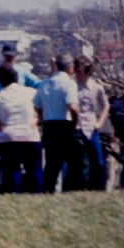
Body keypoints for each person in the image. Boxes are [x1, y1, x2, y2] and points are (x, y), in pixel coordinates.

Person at [0, 48, 40, 195]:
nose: (9, 57)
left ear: (16, 56)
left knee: (18, 163)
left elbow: (38, 85)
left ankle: (21, 189)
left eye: (12, 55)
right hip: (2, 116)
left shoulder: (23, 71)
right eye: (7, 55)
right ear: (3, 55)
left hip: (21, 117)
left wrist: (36, 118)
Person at [35, 54, 81, 193]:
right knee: (75, 161)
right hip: (64, 125)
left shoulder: (44, 84)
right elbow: (73, 106)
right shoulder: (69, 84)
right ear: (69, 67)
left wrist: (43, 118)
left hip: (49, 125)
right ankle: (69, 189)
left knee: (52, 163)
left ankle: (48, 190)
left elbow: (36, 105)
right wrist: (76, 122)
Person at [73, 56, 110, 191]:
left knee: (98, 162)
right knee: (80, 163)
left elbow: (106, 105)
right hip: (77, 127)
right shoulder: (72, 86)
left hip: (92, 127)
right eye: (76, 71)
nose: (77, 74)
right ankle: (80, 188)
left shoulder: (96, 87)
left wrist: (100, 122)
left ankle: (95, 188)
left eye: (80, 71)